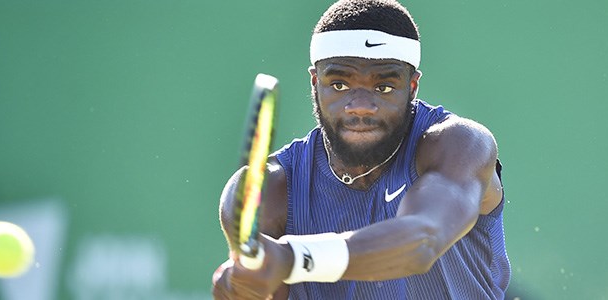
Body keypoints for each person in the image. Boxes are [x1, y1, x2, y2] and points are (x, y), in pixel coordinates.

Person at [212, 0, 510, 299]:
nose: (361, 107)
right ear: (315, 83)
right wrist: (243, 289)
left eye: (384, 87)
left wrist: (292, 258)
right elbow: (260, 286)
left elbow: (423, 240)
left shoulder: (459, 144)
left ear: (413, 86)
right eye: (340, 84)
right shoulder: (272, 189)